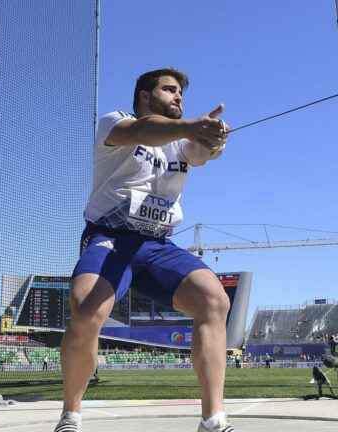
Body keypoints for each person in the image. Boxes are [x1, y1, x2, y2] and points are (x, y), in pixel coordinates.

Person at [54, 68, 234, 432]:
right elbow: (140, 132)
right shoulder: (116, 122)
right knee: (86, 309)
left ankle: (213, 420)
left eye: (181, 92)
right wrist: (189, 127)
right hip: (110, 237)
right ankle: (71, 414)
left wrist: (214, 139)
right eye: (169, 90)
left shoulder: (181, 144)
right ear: (144, 96)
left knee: (214, 300)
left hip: (156, 245)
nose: (178, 97)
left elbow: (203, 153)